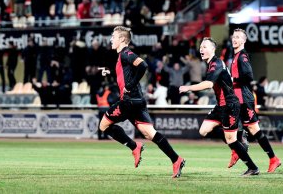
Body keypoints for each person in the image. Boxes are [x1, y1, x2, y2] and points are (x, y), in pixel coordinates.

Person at [99, 26, 185, 178]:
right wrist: (110, 72)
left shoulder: (126, 53)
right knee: (150, 133)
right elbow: (125, 75)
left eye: (114, 36)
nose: (111, 39)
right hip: (137, 101)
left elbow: (143, 65)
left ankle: (134, 146)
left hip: (129, 101)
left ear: (122, 39)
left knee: (104, 125)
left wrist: (130, 85)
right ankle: (176, 159)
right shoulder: (121, 57)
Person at [179, 37, 260, 176]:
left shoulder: (216, 63)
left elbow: (208, 84)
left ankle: (253, 167)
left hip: (230, 105)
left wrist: (188, 88)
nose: (201, 49)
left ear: (212, 49)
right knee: (203, 130)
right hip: (221, 106)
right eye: (201, 47)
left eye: (205, 47)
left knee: (230, 139)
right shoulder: (211, 64)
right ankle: (239, 141)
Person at [228, 28, 282, 172]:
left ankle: (272, 158)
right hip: (237, 98)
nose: (235, 39)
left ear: (244, 41)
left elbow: (248, 76)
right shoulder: (236, 56)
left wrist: (232, 79)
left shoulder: (242, 56)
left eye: (238, 37)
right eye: (234, 36)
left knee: (253, 129)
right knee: (232, 127)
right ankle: (239, 152)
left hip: (244, 99)